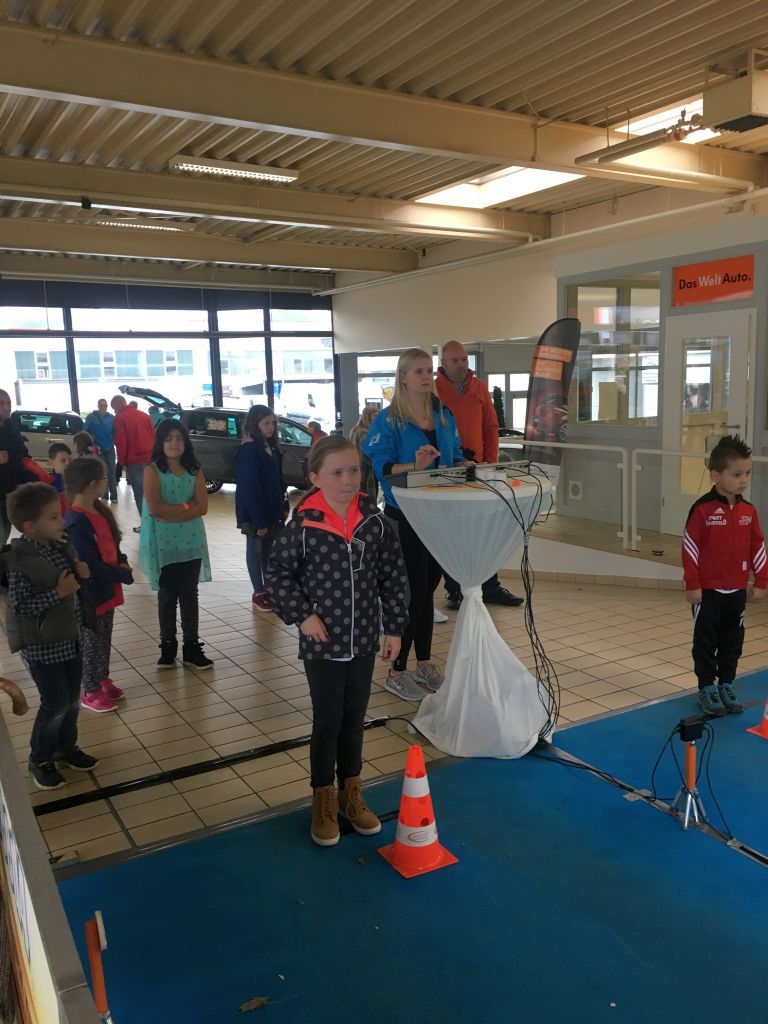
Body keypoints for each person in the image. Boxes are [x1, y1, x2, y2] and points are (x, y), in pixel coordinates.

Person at [267, 436, 409, 847]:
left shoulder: (375, 523)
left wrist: (394, 628)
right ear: (315, 478)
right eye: (337, 472)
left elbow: (393, 578)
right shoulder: (304, 526)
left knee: (354, 717)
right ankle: (323, 797)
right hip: (322, 643)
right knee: (328, 719)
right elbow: (277, 575)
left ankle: (351, 791)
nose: (348, 479)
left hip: (362, 639)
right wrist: (303, 615)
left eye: (354, 471)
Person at [364, 347, 464, 701]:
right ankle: (396, 670)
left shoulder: (443, 414)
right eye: (418, 371)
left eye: (428, 370)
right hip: (404, 515)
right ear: (403, 377)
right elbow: (382, 467)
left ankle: (423, 663)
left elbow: (456, 453)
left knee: (428, 590)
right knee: (411, 594)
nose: (426, 377)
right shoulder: (389, 420)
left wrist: (464, 467)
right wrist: (414, 466)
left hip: (438, 513)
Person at [0, 482, 98, 790]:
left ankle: (65, 748)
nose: (61, 521)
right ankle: (40, 759)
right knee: (55, 703)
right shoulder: (20, 561)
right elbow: (19, 606)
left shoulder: (59, 547)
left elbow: (72, 584)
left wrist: (82, 574)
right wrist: (58, 592)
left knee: (72, 700)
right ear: (30, 526)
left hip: (70, 638)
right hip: (43, 647)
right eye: (54, 517)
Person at [435, 339, 524, 610]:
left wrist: (490, 463)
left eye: (464, 359)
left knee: (485, 531)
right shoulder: (434, 391)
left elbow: (491, 427)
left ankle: (490, 587)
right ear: (443, 363)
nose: (461, 365)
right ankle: (455, 590)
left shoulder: (479, 388)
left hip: (480, 469)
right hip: (448, 471)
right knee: (453, 534)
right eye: (455, 360)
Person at [682, 435, 767, 716]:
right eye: (737, 474)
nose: (744, 480)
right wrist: (693, 584)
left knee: (732, 641)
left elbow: (758, 547)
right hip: (708, 592)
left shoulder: (748, 511)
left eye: (747, 474)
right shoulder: (702, 510)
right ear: (716, 475)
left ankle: (726, 684)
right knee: (705, 641)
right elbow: (690, 548)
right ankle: (707, 687)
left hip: (737, 591)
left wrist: (762, 581)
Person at [139, 419, 213, 670]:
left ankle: (192, 647)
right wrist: (186, 506)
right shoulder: (152, 470)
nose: (175, 444)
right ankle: (167, 646)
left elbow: (203, 507)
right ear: (160, 442)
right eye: (169, 439)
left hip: (191, 542)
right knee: (167, 595)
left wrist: (174, 512)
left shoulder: (194, 469)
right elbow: (155, 509)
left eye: (180, 438)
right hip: (164, 544)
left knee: (190, 595)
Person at [65, 457, 134, 714]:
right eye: (105, 478)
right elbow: (89, 565)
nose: (108, 481)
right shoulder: (76, 521)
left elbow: (112, 544)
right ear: (92, 484)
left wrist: (122, 561)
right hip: (92, 592)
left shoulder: (99, 510)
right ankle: (90, 690)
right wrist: (120, 574)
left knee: (104, 637)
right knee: (91, 642)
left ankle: (102, 678)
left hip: (107, 588)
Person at [236, 404, 287, 613]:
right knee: (255, 550)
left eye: (273, 423)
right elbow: (249, 487)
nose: (271, 427)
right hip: (254, 512)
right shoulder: (249, 450)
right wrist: (258, 521)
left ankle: (268, 588)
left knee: (269, 550)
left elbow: (279, 481)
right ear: (254, 424)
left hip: (271, 510)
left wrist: (284, 505)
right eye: (266, 423)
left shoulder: (272, 448)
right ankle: (258, 591)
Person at [111, 395, 155, 529]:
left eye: (114, 409)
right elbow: (153, 436)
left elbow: (121, 442)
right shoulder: (144, 416)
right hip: (150, 459)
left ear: (119, 405)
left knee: (140, 494)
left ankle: (146, 526)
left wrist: (122, 461)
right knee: (151, 492)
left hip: (134, 461)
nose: (114, 412)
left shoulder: (120, 418)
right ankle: (155, 523)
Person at [0, 390, 26, 547]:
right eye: (1, 403)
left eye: (8, 403)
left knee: (6, 531)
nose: (6, 407)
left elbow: (21, 453)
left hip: (9, 490)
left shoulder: (11, 427)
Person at [84, 398, 118, 502]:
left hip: (110, 448)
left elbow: (116, 433)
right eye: (102, 405)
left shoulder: (111, 418)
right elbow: (84, 432)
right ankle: (104, 496)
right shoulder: (91, 417)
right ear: (98, 406)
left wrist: (116, 444)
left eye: (105, 405)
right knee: (102, 472)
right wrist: (90, 446)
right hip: (98, 449)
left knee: (112, 472)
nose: (104, 407)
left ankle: (114, 497)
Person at [349, 406, 379, 506]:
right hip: (365, 470)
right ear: (368, 417)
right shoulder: (365, 433)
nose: (377, 418)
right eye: (375, 416)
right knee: (367, 499)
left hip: (356, 469)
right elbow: (367, 453)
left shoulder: (355, 430)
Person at [48, 442, 72, 517]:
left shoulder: (75, 481)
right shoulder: (49, 483)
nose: (67, 464)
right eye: (63, 460)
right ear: (51, 463)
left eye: (70, 460)